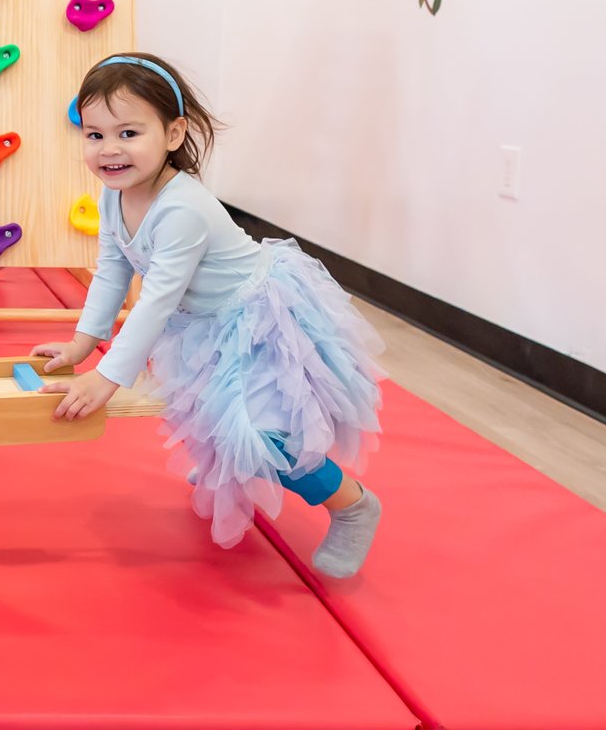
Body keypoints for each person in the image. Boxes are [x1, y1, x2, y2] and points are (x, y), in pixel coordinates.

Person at [33, 53, 387, 577]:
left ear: (174, 133)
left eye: (128, 133)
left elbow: (155, 297)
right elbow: (112, 270)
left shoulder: (183, 209)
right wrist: (82, 344)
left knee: (270, 434)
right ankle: (232, 462)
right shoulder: (116, 197)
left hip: (256, 318)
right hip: (198, 322)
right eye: (94, 135)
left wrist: (106, 378)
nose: (109, 150)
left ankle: (352, 505)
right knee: (207, 414)